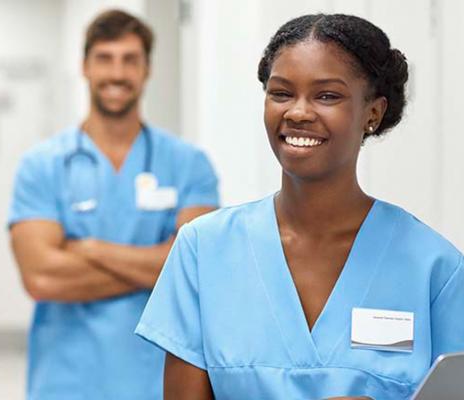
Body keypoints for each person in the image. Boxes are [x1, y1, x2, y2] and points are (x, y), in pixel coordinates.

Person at [136, 13, 464, 400]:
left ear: (372, 113)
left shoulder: (434, 268)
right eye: (281, 93)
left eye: (327, 95)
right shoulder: (202, 250)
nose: (298, 112)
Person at [8, 9, 220, 399]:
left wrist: (88, 249)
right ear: (84, 67)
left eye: (130, 60)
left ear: (147, 69)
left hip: (157, 378)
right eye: (104, 58)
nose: (117, 74)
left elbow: (197, 270)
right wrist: (158, 265)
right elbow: (42, 278)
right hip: (66, 380)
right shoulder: (42, 166)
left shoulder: (188, 164)